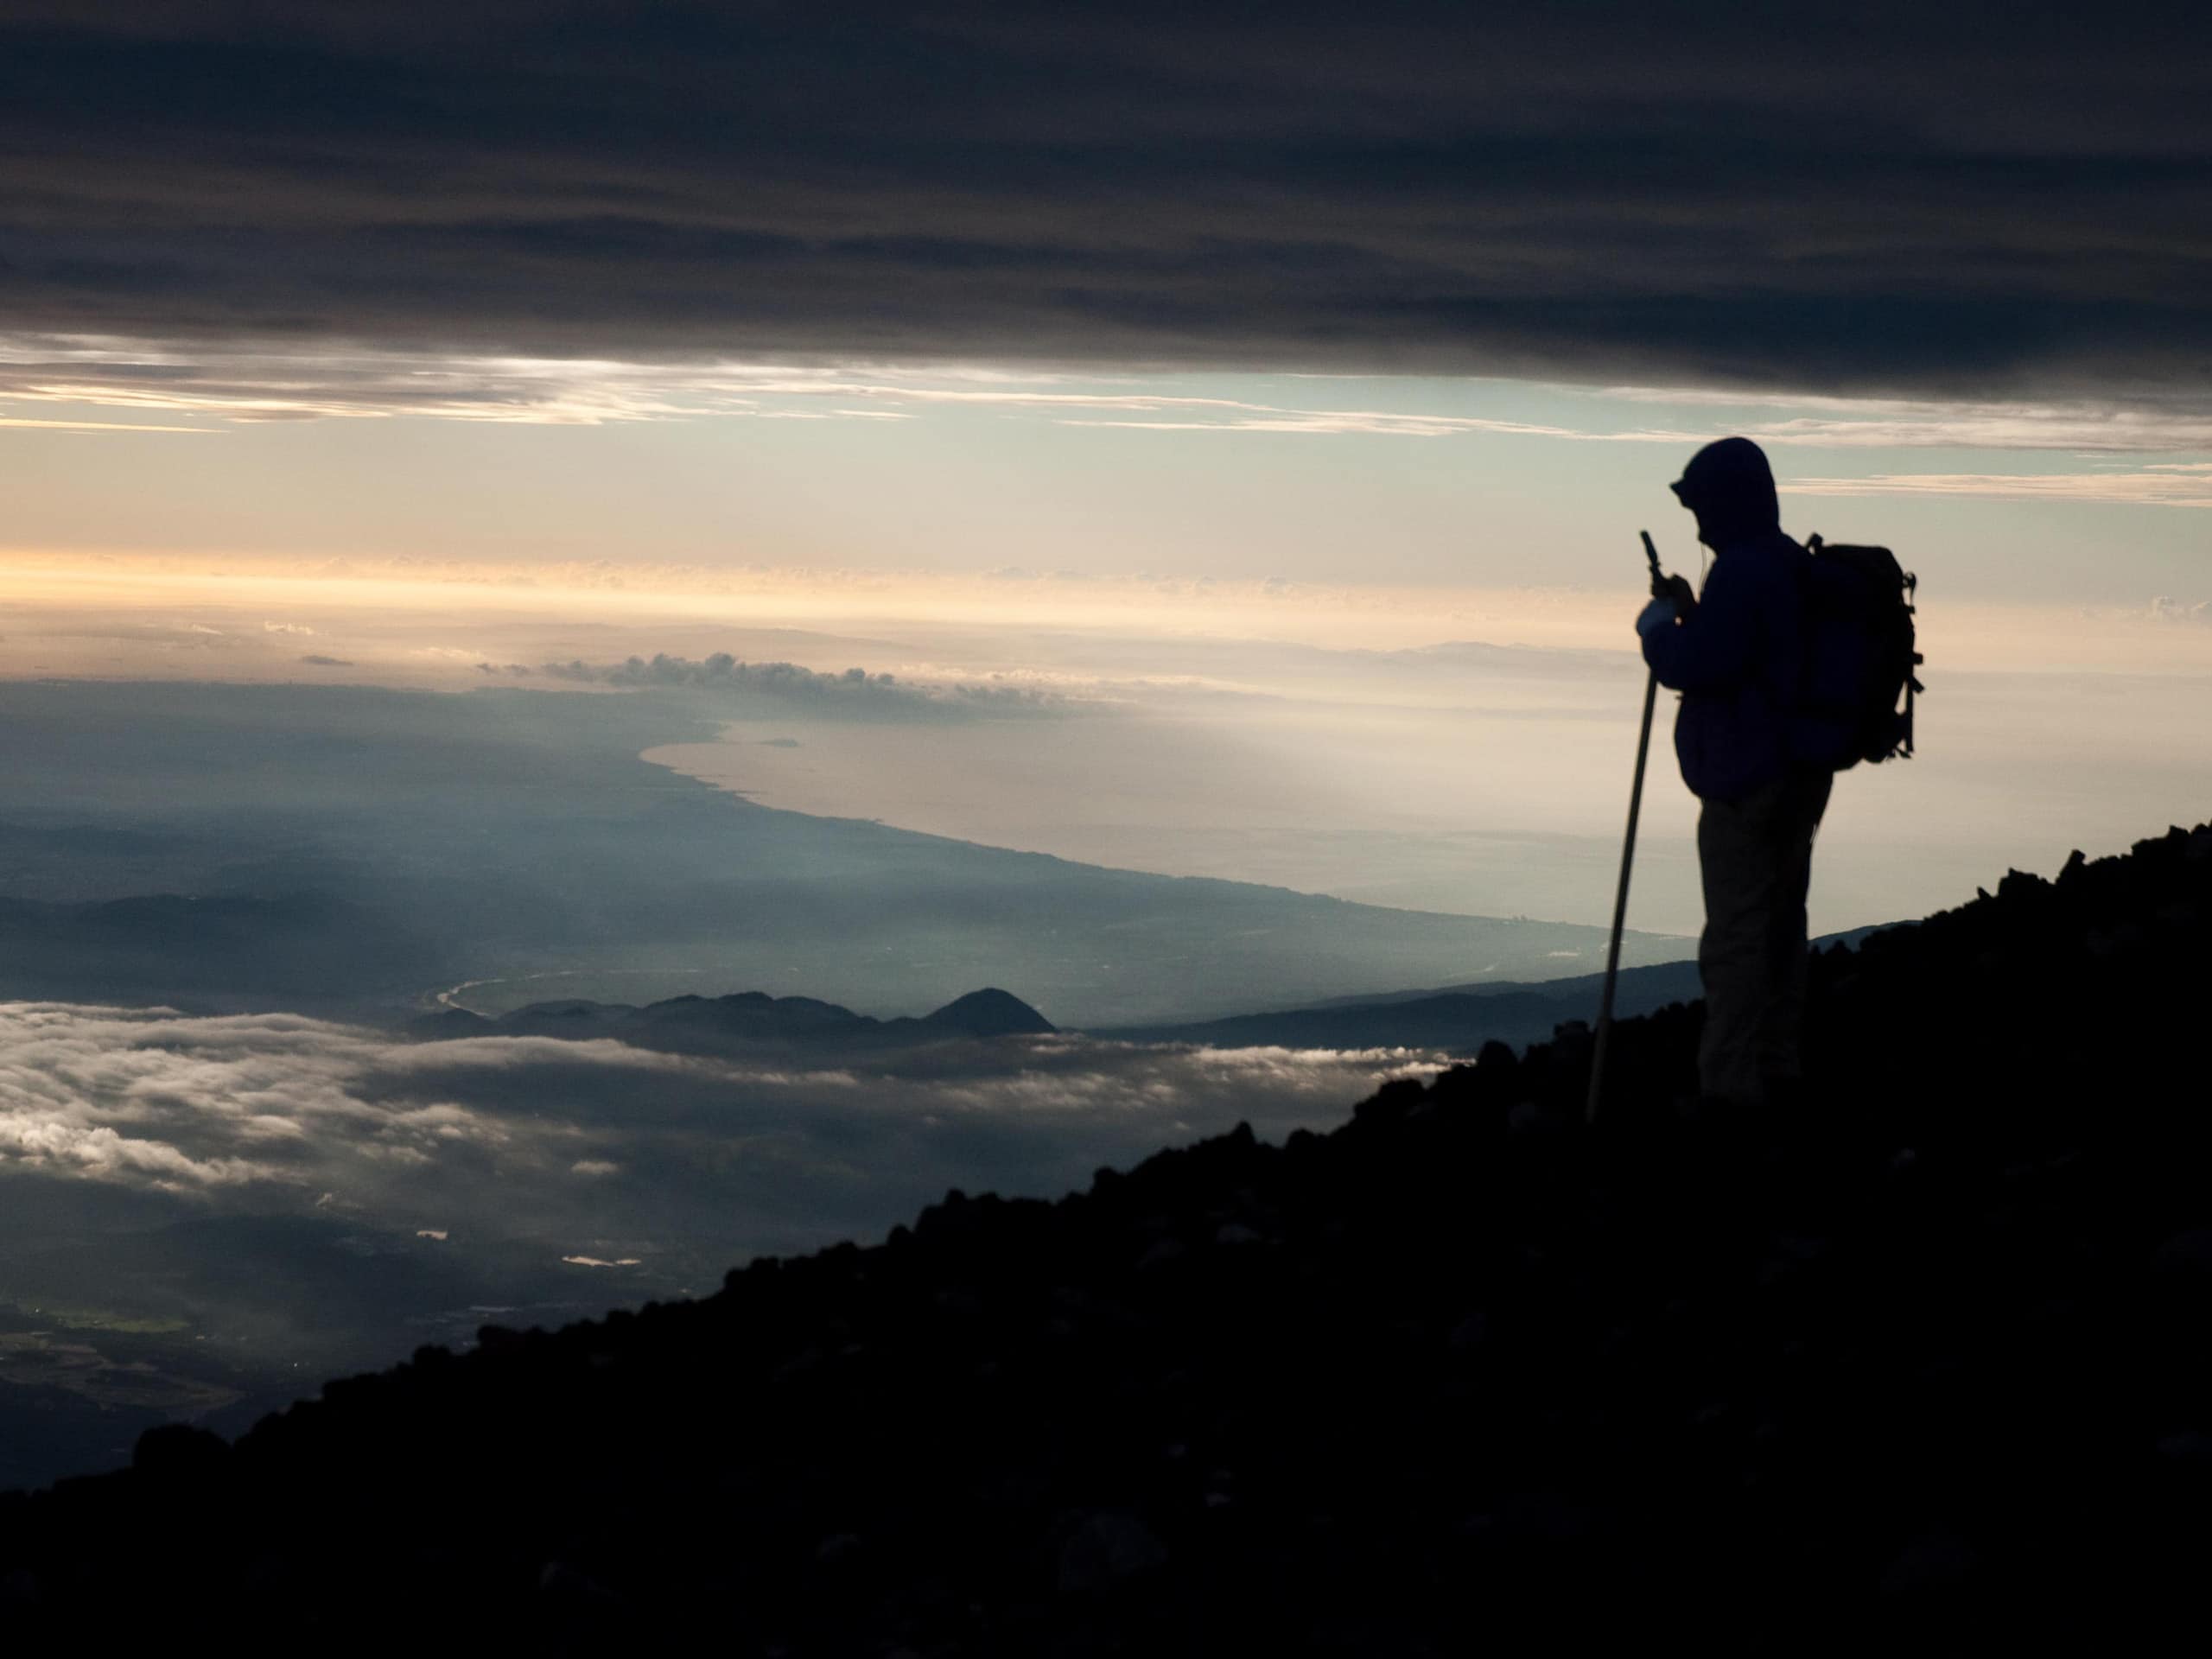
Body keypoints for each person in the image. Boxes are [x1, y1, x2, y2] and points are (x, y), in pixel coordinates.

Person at [1636, 435, 1830, 1110]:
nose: (1699, 522)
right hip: (1798, 774)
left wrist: (1658, 629)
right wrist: (1692, 611)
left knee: (1739, 936)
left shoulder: (1744, 570)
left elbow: (1697, 666)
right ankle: (1777, 1070)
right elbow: (1752, 653)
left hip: (1748, 780)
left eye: (1705, 505)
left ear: (1732, 502)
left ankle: (1730, 1091)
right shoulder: (1785, 564)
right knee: (1779, 925)